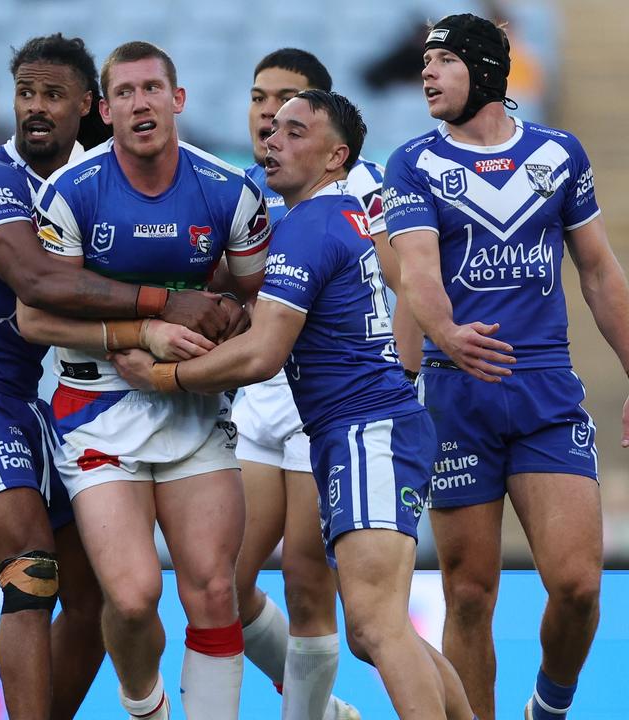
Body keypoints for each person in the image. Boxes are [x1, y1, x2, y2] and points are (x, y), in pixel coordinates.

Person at [0, 33, 245, 720]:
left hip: (32, 401)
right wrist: (160, 308)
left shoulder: (89, 183)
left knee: (95, 600)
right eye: (25, 93)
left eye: (53, 95)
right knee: (33, 571)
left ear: (84, 106)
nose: (35, 108)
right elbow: (37, 282)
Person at [112, 89, 474, 720]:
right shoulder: (337, 217)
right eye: (272, 127)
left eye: (295, 131)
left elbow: (263, 354)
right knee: (374, 628)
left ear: (336, 157)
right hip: (362, 430)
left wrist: (167, 375)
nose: (273, 139)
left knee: (378, 628)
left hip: (367, 431)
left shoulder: (309, 225)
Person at [384, 13, 629, 720]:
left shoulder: (560, 154)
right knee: (468, 592)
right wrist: (449, 336)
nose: (426, 72)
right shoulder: (415, 163)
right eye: (424, 61)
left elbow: (601, 275)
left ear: (485, 69)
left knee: (580, 584)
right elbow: (418, 276)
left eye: (443, 60)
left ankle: (548, 707)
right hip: (458, 394)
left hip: (546, 388)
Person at [17, 41, 272, 720]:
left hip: (194, 416)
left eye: (152, 89)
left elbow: (258, 310)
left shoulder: (229, 191)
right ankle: (147, 708)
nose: (140, 103)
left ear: (177, 99)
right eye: (124, 93)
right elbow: (34, 317)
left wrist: (192, 360)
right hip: (96, 412)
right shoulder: (70, 194)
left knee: (213, 589)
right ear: (105, 109)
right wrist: (141, 336)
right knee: (130, 599)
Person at [234, 48, 407, 720]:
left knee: (308, 581)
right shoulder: (245, 190)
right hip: (258, 398)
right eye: (258, 99)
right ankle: (326, 711)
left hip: (327, 398)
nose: (268, 115)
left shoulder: (365, 190)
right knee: (224, 582)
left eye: (286, 103)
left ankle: (305, 716)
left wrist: (407, 372)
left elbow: (408, 285)